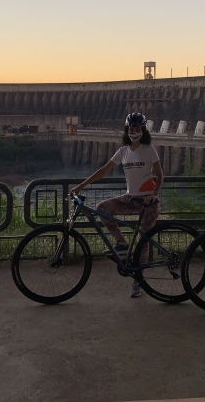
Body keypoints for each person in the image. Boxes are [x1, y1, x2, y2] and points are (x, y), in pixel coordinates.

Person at [71, 112, 163, 299]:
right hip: (131, 198)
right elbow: (103, 170)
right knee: (102, 207)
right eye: (131, 129)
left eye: (137, 129)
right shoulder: (123, 151)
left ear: (142, 130)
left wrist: (154, 195)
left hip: (148, 203)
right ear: (127, 130)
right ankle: (121, 243)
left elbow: (160, 176)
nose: (133, 132)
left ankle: (138, 281)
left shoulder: (149, 149)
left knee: (142, 241)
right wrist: (81, 186)